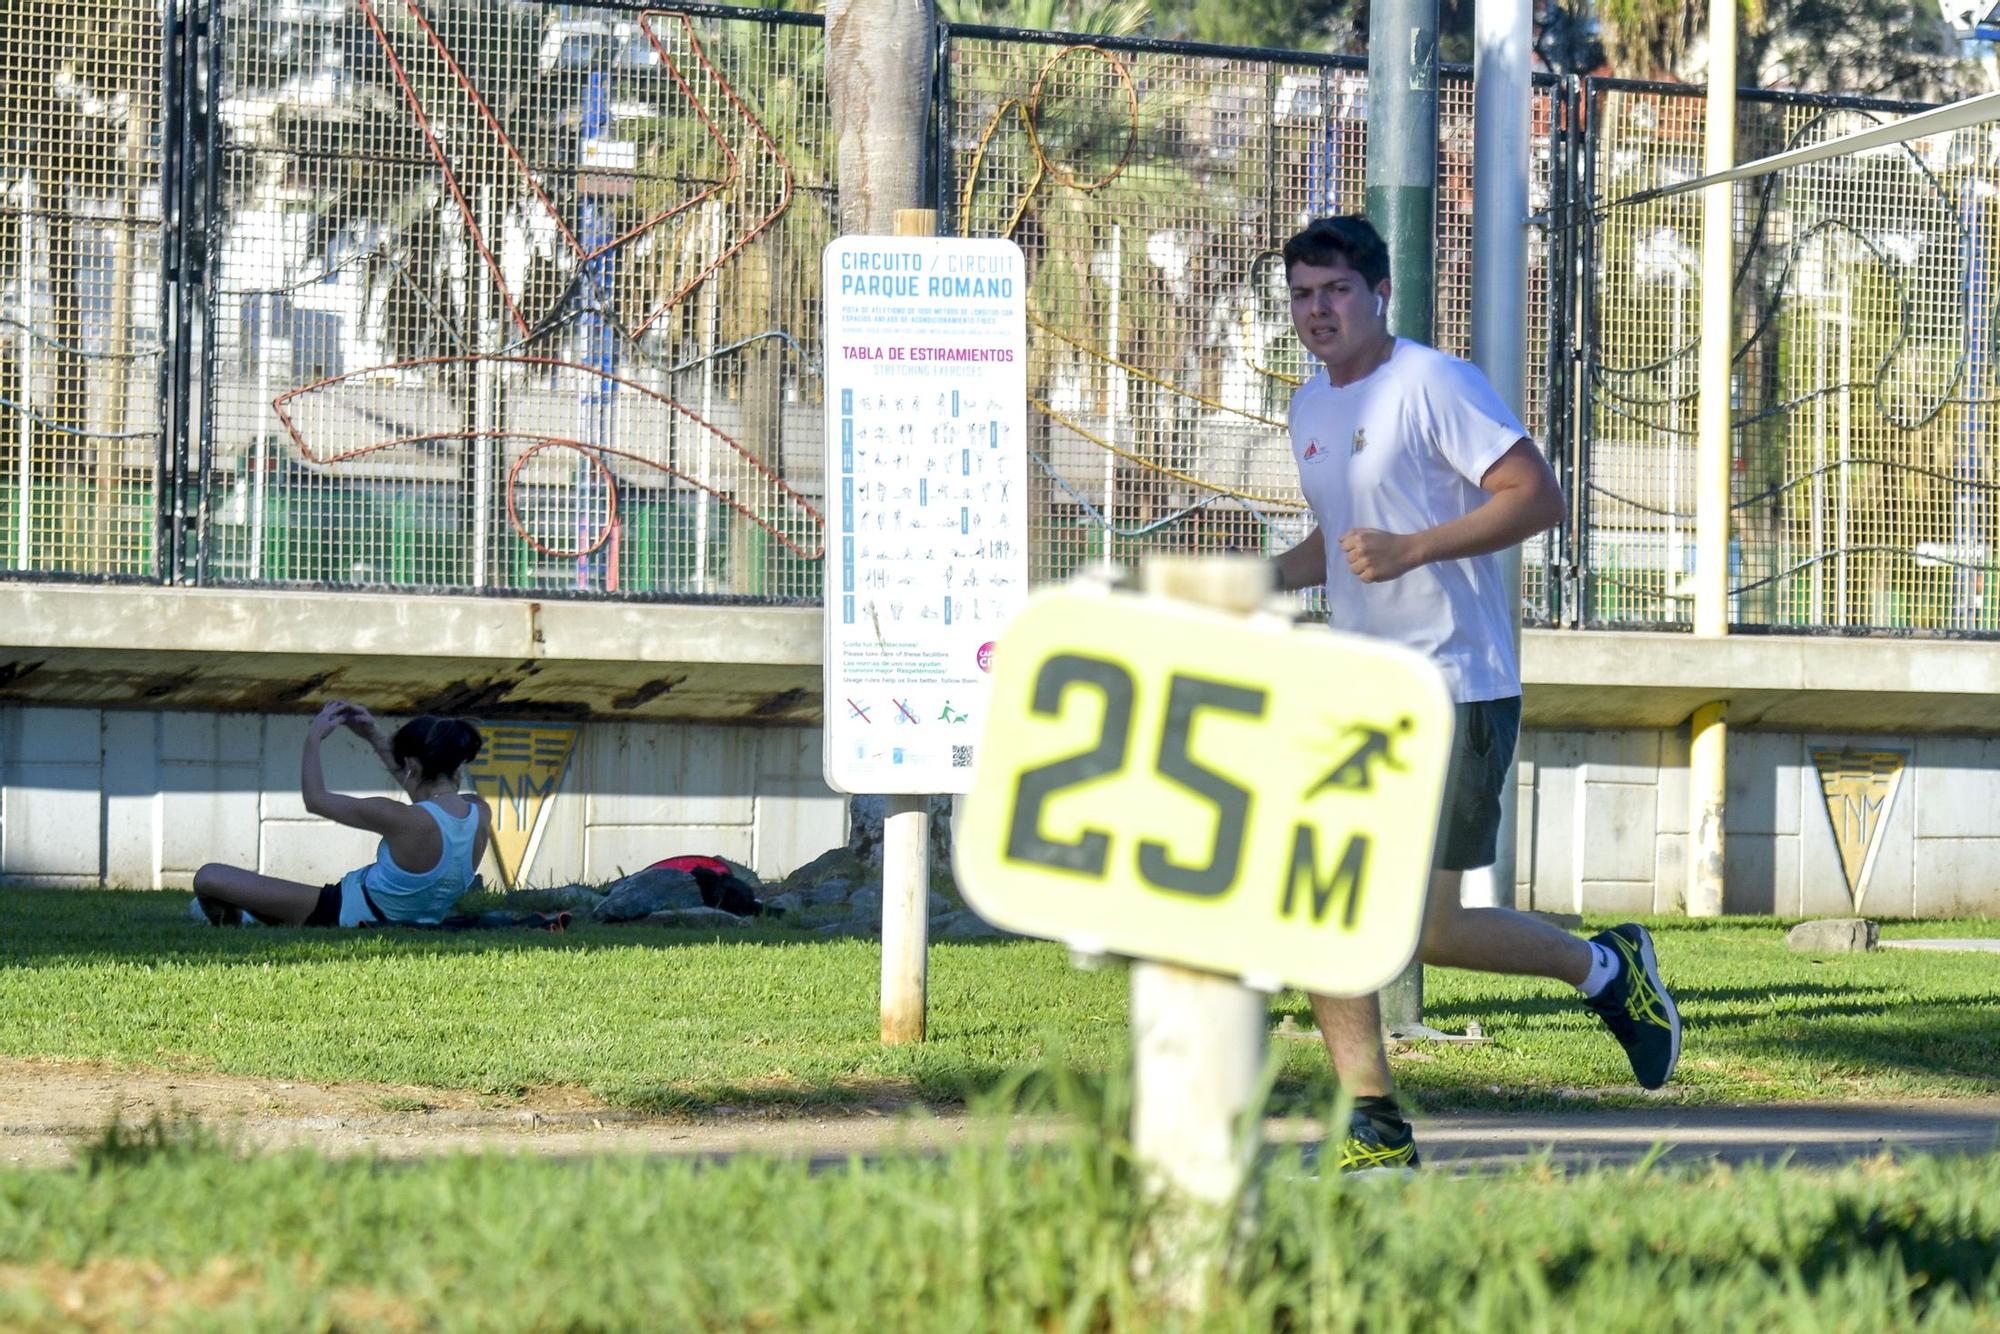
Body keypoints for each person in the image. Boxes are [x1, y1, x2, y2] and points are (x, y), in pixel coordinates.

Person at [1271, 215, 1681, 1171]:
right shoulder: (1307, 409)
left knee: (1435, 929)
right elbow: (1335, 545)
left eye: (1334, 290)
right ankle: (1374, 1125)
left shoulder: (1433, 383)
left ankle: (1606, 968)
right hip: (1361, 695)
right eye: (1301, 294)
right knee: (1322, 906)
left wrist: (1413, 548)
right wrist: (1250, 579)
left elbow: (1536, 497)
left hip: (1457, 689)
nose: (1317, 310)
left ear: (1378, 294)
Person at [192, 704, 491, 928]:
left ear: (411, 766)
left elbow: (316, 800)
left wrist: (313, 739)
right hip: (414, 915)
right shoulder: (479, 812)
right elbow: (425, 794)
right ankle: (250, 915)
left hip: (340, 909)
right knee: (243, 894)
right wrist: (374, 736)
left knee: (209, 877)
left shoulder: (403, 818)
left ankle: (240, 920)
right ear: (457, 767)